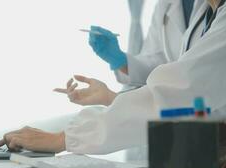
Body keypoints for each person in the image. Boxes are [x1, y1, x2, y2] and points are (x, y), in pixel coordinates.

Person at [0, 0, 226, 155]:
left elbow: (182, 91)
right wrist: (118, 67)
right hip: (200, 134)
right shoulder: (206, 13)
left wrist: (65, 137)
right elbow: (185, 85)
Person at [54, 0, 200, 106]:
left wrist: (110, 98)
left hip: (211, 111)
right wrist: (121, 60)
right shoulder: (165, 5)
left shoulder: (216, 7)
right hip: (179, 111)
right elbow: (158, 64)